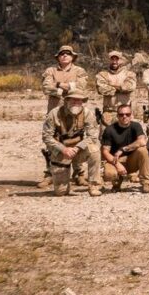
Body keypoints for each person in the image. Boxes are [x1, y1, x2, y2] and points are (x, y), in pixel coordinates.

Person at [40, 45, 90, 189]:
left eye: (68, 54)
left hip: (75, 111)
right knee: (52, 142)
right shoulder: (50, 70)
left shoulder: (79, 71)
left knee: (77, 139)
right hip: (55, 112)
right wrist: (69, 87)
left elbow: (81, 87)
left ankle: (79, 173)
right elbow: (46, 87)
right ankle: (49, 173)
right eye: (62, 53)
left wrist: (58, 86)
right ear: (58, 56)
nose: (65, 56)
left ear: (73, 57)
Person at [41, 88, 102, 197]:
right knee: (60, 192)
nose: (76, 103)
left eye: (79, 100)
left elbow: (92, 136)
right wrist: (63, 149)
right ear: (67, 100)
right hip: (60, 152)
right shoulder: (54, 113)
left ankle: (94, 186)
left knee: (95, 150)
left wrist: (77, 148)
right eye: (73, 100)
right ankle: (65, 185)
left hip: (78, 150)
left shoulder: (87, 113)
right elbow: (46, 136)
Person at [101, 102, 149, 193]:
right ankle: (116, 183)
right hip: (116, 160)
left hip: (131, 160)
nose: (124, 117)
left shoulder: (136, 126)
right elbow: (105, 152)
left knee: (143, 150)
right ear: (117, 116)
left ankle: (146, 183)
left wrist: (123, 149)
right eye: (121, 115)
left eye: (127, 114)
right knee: (109, 174)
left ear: (131, 115)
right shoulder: (109, 130)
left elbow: (142, 141)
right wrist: (117, 164)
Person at [95, 50, 137, 126]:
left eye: (117, 59)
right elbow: (101, 89)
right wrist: (121, 88)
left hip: (125, 113)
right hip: (108, 113)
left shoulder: (129, 74)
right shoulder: (102, 75)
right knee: (105, 136)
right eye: (112, 59)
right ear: (109, 60)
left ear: (121, 60)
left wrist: (111, 86)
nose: (114, 62)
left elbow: (130, 87)